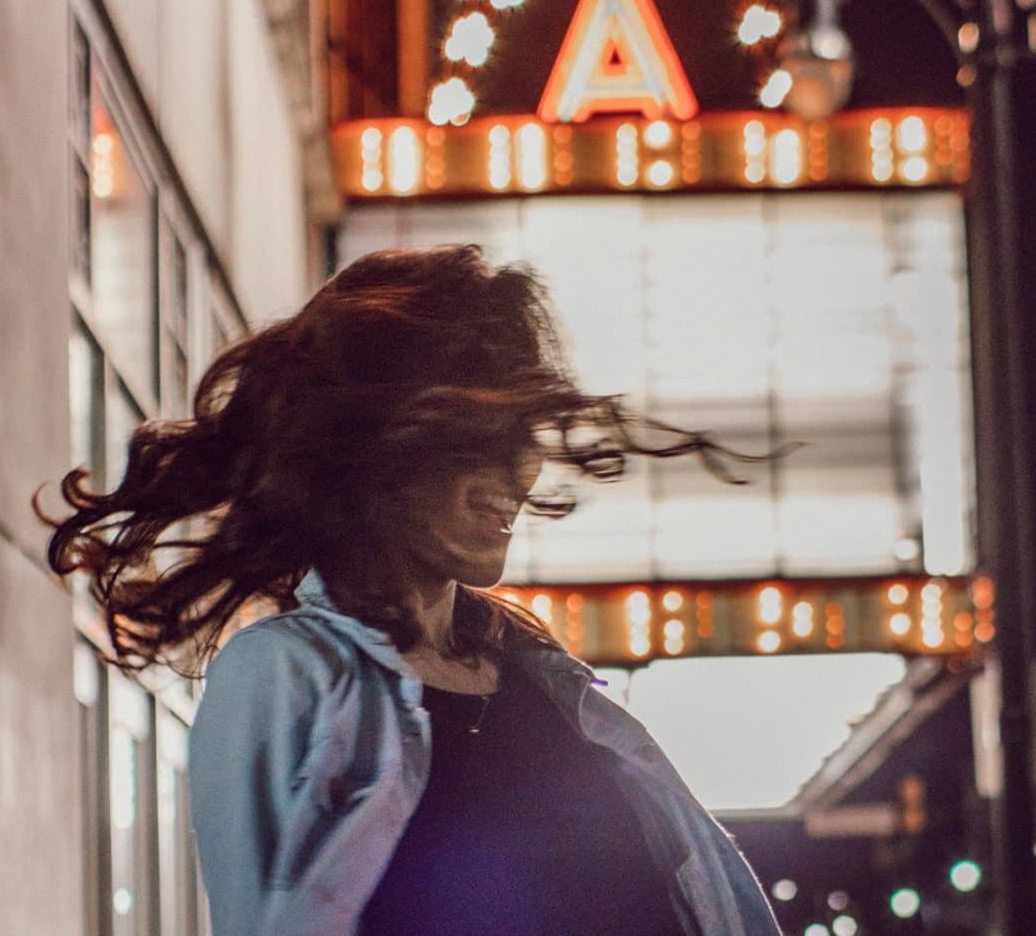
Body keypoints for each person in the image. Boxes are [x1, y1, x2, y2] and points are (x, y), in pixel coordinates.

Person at [40, 243, 782, 936]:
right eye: (477, 434)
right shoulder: (283, 676)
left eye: (522, 432)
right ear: (378, 443)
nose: (519, 471)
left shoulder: (542, 674)